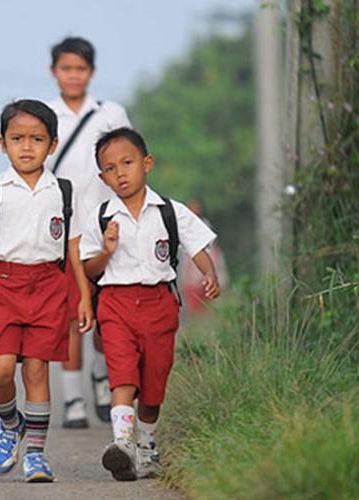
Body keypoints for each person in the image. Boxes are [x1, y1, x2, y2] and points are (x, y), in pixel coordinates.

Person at [0, 99, 93, 483]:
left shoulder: (64, 193)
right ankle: (9, 423)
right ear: (2, 143)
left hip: (50, 286)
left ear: (52, 145)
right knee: (1, 369)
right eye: (17, 138)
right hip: (2, 286)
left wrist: (82, 295)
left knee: (37, 369)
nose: (27, 146)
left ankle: (36, 453)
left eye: (37, 139)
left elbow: (73, 250)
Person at [81, 128, 220, 481]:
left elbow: (196, 245)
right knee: (122, 373)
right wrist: (107, 250)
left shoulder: (170, 212)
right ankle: (122, 444)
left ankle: (147, 447)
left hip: (159, 303)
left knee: (155, 380)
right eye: (110, 168)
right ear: (102, 177)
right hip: (115, 304)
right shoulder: (100, 217)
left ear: (147, 163)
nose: (120, 173)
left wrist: (210, 274)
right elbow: (88, 269)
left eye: (127, 163)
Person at [46, 36, 132, 428]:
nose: (73, 76)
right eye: (67, 68)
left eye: (80, 69)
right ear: (54, 72)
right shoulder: (44, 115)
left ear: (91, 73)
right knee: (69, 316)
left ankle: (101, 375)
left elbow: (125, 165)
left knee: (106, 311)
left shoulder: (110, 113)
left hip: (105, 225)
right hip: (62, 229)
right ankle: (74, 400)